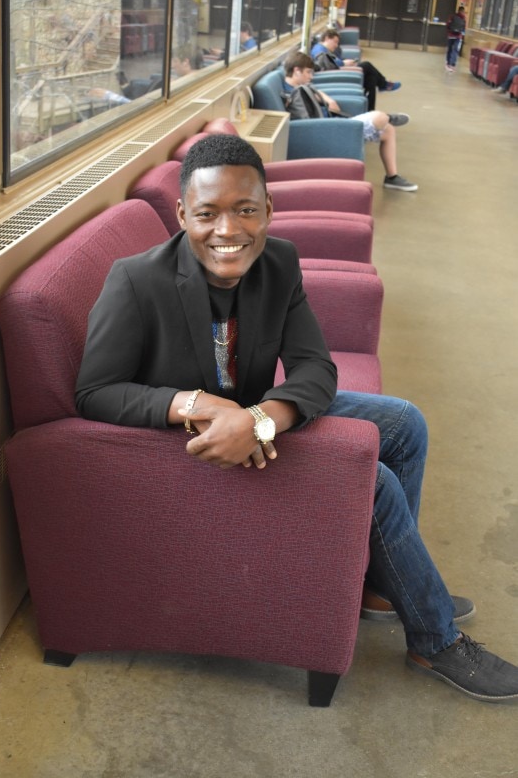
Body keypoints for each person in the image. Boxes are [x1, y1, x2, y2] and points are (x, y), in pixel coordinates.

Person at [76, 134, 518, 703]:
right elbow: (94, 391)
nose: (228, 231)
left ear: (268, 211)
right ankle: (433, 637)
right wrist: (201, 406)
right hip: (190, 446)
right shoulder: (135, 281)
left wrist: (261, 418)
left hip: (258, 419)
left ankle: (382, 585)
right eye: (208, 214)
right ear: (183, 213)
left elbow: (315, 366)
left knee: (405, 424)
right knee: (371, 478)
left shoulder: (279, 262)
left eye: (246, 211)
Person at [283, 52, 417, 192]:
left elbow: (313, 90)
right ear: (296, 71)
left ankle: (392, 177)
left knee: (388, 130)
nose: (311, 76)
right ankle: (388, 117)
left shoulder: (300, 86)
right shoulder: (291, 94)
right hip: (328, 132)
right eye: (308, 72)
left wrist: (329, 100)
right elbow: (304, 124)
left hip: (332, 125)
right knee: (379, 117)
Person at [310, 28, 401, 111]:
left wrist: (344, 63)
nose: (336, 45)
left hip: (339, 70)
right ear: (326, 38)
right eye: (335, 42)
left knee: (371, 79)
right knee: (367, 65)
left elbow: (330, 62)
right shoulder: (319, 50)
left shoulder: (322, 49)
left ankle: (370, 110)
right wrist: (344, 63)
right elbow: (328, 65)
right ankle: (383, 84)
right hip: (336, 74)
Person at [445, 5, 466, 72]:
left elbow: (448, 24)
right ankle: (453, 64)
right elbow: (464, 28)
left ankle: (448, 63)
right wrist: (462, 35)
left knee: (450, 49)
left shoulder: (452, 16)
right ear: (463, 11)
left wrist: (449, 31)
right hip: (458, 36)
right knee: (455, 50)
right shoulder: (463, 18)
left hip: (451, 35)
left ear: (458, 10)